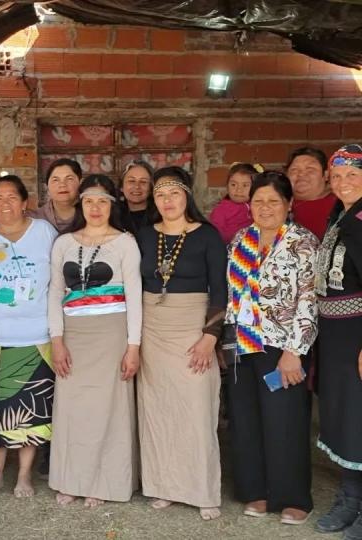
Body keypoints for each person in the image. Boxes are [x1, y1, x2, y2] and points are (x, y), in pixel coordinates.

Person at [225, 171, 318, 525]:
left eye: (273, 201)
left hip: (282, 347)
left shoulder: (302, 242)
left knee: (285, 421)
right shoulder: (240, 239)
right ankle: (256, 491)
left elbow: (309, 300)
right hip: (242, 343)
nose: (265, 208)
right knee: (246, 420)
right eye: (258, 201)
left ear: (289, 205)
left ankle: (293, 497)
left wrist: (295, 351)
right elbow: (233, 295)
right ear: (249, 205)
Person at [47, 174, 143, 508]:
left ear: (113, 204)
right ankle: (71, 479)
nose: (96, 207)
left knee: (109, 409)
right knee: (72, 408)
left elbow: (134, 296)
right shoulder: (63, 243)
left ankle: (104, 482)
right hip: (73, 334)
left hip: (111, 332)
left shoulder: (125, 243)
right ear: (80, 203)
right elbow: (54, 293)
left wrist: (133, 346)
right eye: (89, 200)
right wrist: (56, 340)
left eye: (103, 201)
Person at [136, 166, 226, 520]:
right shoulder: (143, 235)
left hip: (193, 328)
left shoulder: (207, 236)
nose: (167, 200)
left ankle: (202, 489)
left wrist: (210, 337)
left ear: (186, 195)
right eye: (160, 194)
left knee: (196, 410)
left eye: (173, 193)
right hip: (152, 330)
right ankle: (163, 486)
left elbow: (221, 290)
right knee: (157, 411)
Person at [0, 175, 57, 498]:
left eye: (12, 197)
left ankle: (24, 476)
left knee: (34, 411)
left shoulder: (44, 233)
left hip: (38, 337)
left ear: (25, 202)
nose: (5, 204)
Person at [315, 144, 362, 539]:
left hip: (357, 334)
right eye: (339, 175)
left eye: (354, 174)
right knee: (345, 417)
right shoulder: (340, 215)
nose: (344, 182)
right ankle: (350, 498)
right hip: (334, 335)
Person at [286, 147, 337, 239]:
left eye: (310, 169)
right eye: (294, 170)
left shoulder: (341, 205)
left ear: (325, 175)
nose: (301, 174)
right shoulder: (276, 206)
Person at [209, 163, 260, 243]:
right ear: (227, 186)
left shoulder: (258, 206)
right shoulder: (221, 210)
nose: (239, 190)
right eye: (233, 184)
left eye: (245, 185)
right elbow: (214, 236)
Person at [30, 158, 82, 233]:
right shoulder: (35, 219)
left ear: (80, 183)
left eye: (69, 179)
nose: (62, 185)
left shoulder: (91, 215)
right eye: (55, 180)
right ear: (47, 186)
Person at [119, 159, 153, 233]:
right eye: (131, 181)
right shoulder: (113, 216)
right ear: (121, 187)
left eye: (143, 182)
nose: (137, 186)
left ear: (151, 188)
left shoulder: (161, 215)